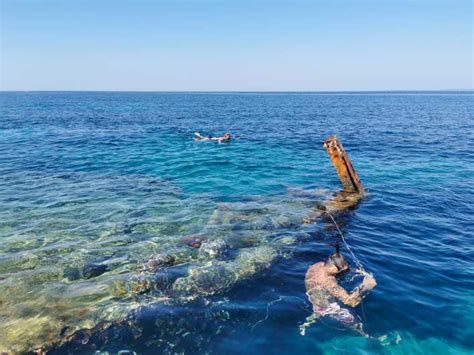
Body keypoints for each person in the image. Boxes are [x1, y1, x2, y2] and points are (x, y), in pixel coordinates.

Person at [300, 244, 376, 336]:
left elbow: (340, 268)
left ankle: (308, 322)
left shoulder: (318, 265)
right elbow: (350, 302)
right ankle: (367, 336)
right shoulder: (329, 282)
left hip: (312, 295)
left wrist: (358, 271)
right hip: (326, 305)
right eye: (340, 270)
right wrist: (366, 287)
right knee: (352, 320)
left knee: (318, 310)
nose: (341, 271)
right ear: (333, 267)